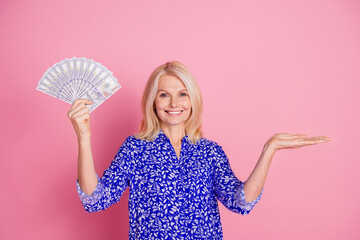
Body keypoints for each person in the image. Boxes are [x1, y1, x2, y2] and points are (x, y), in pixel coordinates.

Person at [67, 61, 331, 239]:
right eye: (164, 94)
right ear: (153, 101)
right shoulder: (135, 149)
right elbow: (95, 200)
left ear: (193, 100)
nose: (174, 103)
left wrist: (269, 149)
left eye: (182, 94)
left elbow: (241, 201)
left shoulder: (211, 152)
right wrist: (83, 138)